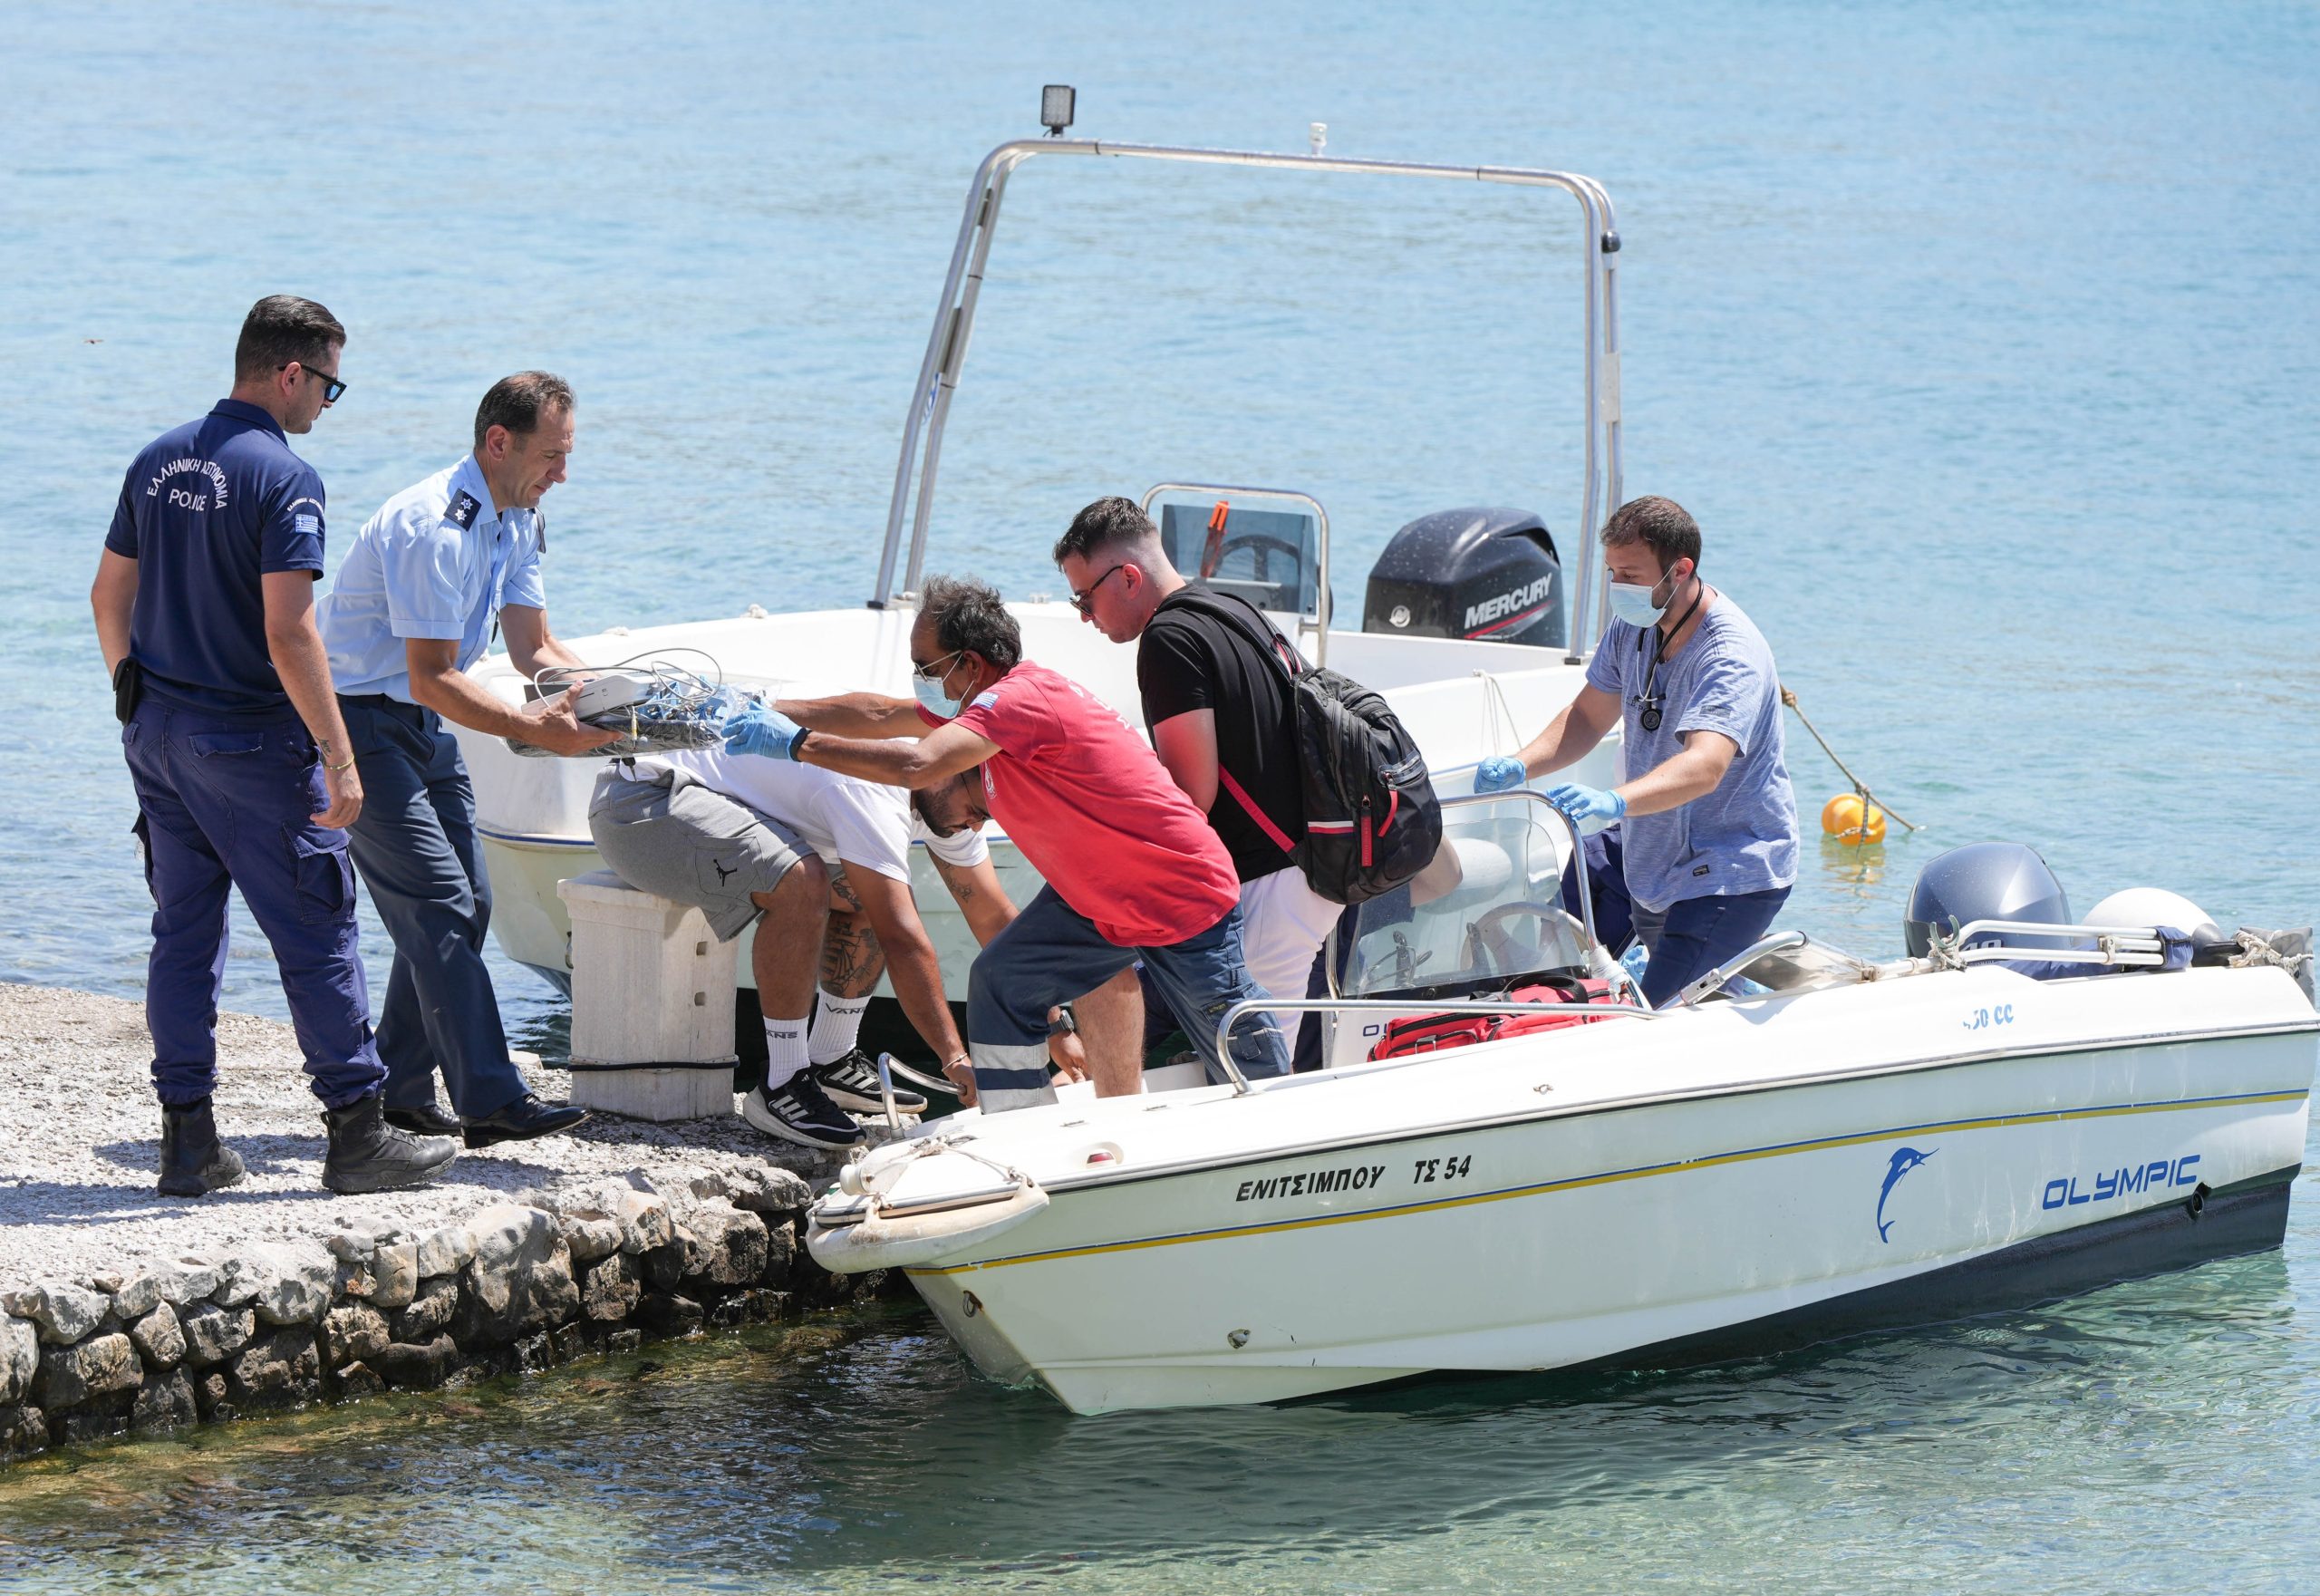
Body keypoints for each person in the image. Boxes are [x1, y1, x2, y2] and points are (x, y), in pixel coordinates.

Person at [91, 295, 458, 1196]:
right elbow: (290, 633)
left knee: (182, 934)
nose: (326, 407)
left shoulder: (156, 457)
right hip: (250, 744)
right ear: (291, 374)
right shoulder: (284, 479)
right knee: (320, 930)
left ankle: (188, 1144)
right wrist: (339, 756)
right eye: (329, 389)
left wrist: (132, 697)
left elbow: (108, 597)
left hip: (160, 737)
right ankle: (358, 1136)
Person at [720, 576, 1292, 1111]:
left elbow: (918, 764)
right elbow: (879, 713)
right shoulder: (975, 707)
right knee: (1002, 981)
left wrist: (796, 744)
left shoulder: (1019, 702)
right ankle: (1020, 1131)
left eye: (925, 666)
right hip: (1096, 896)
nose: (919, 679)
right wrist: (758, 707)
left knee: (1235, 1049)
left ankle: (1292, 1137)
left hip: (1176, 892)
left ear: (969, 662)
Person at [317, 372, 610, 1146]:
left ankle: (404, 1092)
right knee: (440, 906)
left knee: (470, 903)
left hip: (420, 724)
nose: (563, 474)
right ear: (497, 442)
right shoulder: (435, 527)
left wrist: (617, 700)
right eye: (552, 455)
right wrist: (532, 728)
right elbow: (434, 673)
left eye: (567, 455)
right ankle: (491, 1101)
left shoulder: (518, 518)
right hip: (353, 723)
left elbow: (533, 648)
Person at [588, 747, 1021, 1146]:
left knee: (865, 888)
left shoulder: (944, 801)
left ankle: (830, 1059)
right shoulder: (875, 791)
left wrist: (1056, 1027)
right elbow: (903, 940)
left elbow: (991, 914)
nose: (977, 825)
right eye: (977, 811)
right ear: (945, 772)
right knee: (801, 882)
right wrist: (954, 1058)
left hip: (695, 800)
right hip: (639, 804)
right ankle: (783, 1081)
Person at [1476, 496, 1798, 1008]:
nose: (1617, 588)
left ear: (1680, 570)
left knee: (1665, 1017)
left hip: (1727, 869)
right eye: (1611, 573)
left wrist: (1613, 801)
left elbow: (1706, 765)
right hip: (1648, 850)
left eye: (1629, 574)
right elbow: (1586, 717)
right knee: (1551, 969)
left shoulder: (1730, 655)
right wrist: (1521, 763)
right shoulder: (1635, 626)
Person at [1051, 497, 1341, 1046]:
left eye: (1084, 599)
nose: (1086, 617)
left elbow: (1190, 796)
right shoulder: (1233, 608)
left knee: (1252, 1067)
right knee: (1250, 1047)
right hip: (1307, 865)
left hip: (1267, 885)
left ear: (1129, 577)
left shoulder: (1168, 641)